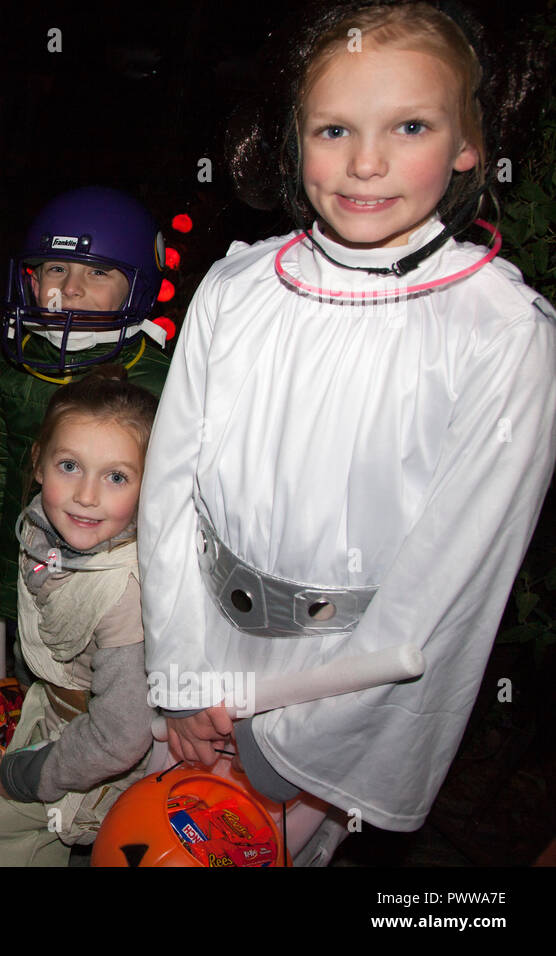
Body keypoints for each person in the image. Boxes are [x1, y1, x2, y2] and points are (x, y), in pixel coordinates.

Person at [140, 1, 556, 840]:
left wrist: (288, 742)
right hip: (198, 640)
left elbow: (449, 581)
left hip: (329, 692)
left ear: (469, 144)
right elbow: (170, 490)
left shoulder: (501, 335)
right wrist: (181, 677)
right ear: (295, 142)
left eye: (409, 126)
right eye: (333, 130)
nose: (366, 163)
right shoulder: (236, 290)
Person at [0, 368, 158, 865]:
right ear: (39, 463)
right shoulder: (43, 530)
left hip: (105, 757)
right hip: (55, 716)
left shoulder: (123, 593)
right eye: (70, 466)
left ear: (151, 487)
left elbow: (120, 736)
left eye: (116, 476)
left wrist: (28, 776)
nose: (87, 495)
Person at [0, 186, 170, 673]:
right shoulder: (7, 366)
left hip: (123, 576)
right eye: (57, 268)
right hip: (32, 558)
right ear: (32, 278)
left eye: (98, 271)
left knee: (118, 682)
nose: (69, 288)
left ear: (138, 287)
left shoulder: (161, 379)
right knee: (35, 668)